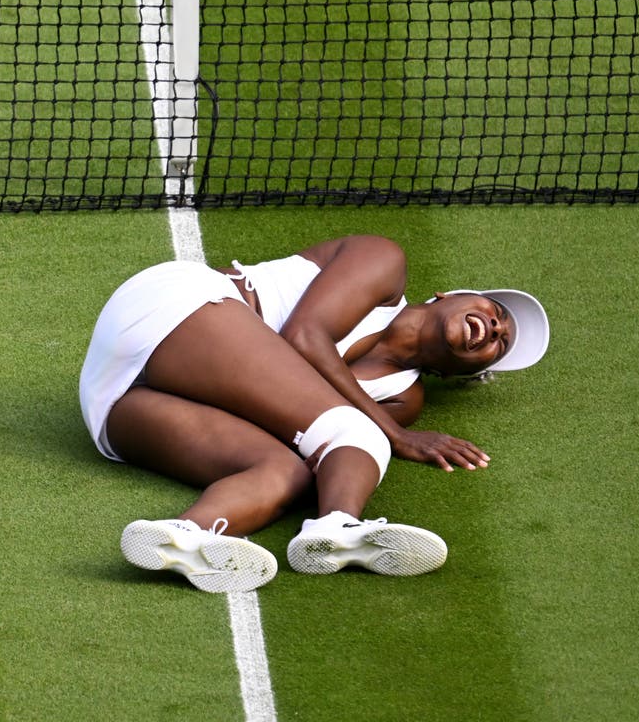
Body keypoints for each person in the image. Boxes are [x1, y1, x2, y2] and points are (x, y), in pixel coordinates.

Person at [79, 234, 549, 592]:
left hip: (113, 404)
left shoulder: (404, 397)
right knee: (356, 433)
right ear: (445, 296)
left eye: (500, 343)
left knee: (285, 471)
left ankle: (186, 535)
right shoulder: (384, 261)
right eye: (496, 312)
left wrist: (384, 427)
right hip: (174, 307)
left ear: (461, 374)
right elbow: (305, 336)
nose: (494, 328)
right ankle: (336, 526)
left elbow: (298, 439)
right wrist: (395, 436)